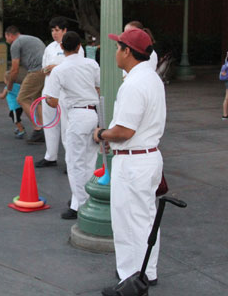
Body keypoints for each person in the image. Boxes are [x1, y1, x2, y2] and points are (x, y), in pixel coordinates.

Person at [92, 28, 165, 295]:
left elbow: (124, 131)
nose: (115, 52)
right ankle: (147, 272)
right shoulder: (150, 78)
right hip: (147, 156)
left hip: (134, 160)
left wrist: (101, 133)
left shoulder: (135, 83)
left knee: (128, 221)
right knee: (144, 218)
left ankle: (132, 278)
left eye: (117, 47)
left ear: (127, 52)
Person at [44, 31, 100, 219]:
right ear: (79, 47)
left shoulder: (59, 70)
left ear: (62, 47)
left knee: (74, 162)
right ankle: (85, 199)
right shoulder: (92, 64)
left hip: (76, 115)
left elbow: (51, 100)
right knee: (90, 159)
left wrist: (61, 100)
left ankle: (80, 203)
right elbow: (98, 88)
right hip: (92, 113)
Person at [36, 17, 84, 168]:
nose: (54, 33)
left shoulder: (76, 47)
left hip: (65, 92)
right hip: (49, 89)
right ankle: (50, 156)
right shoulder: (49, 47)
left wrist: (55, 67)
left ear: (64, 30)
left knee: (66, 127)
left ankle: (70, 160)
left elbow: (76, 66)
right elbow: (43, 68)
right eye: (52, 30)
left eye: (57, 30)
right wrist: (47, 69)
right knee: (49, 124)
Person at [4, 26, 46, 144]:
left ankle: (38, 129)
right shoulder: (30, 38)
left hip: (36, 71)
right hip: (46, 70)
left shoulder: (15, 44)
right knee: (38, 100)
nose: (6, 40)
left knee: (22, 98)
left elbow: (15, 69)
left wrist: (10, 85)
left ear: (9, 35)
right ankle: (43, 129)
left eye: (6, 37)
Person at [0, 71, 25, 139]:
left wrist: (0, 95)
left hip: (14, 107)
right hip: (20, 106)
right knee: (15, 116)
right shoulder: (18, 85)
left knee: (16, 120)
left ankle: (21, 131)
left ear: (6, 80)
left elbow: (3, 96)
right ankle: (20, 127)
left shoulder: (7, 88)